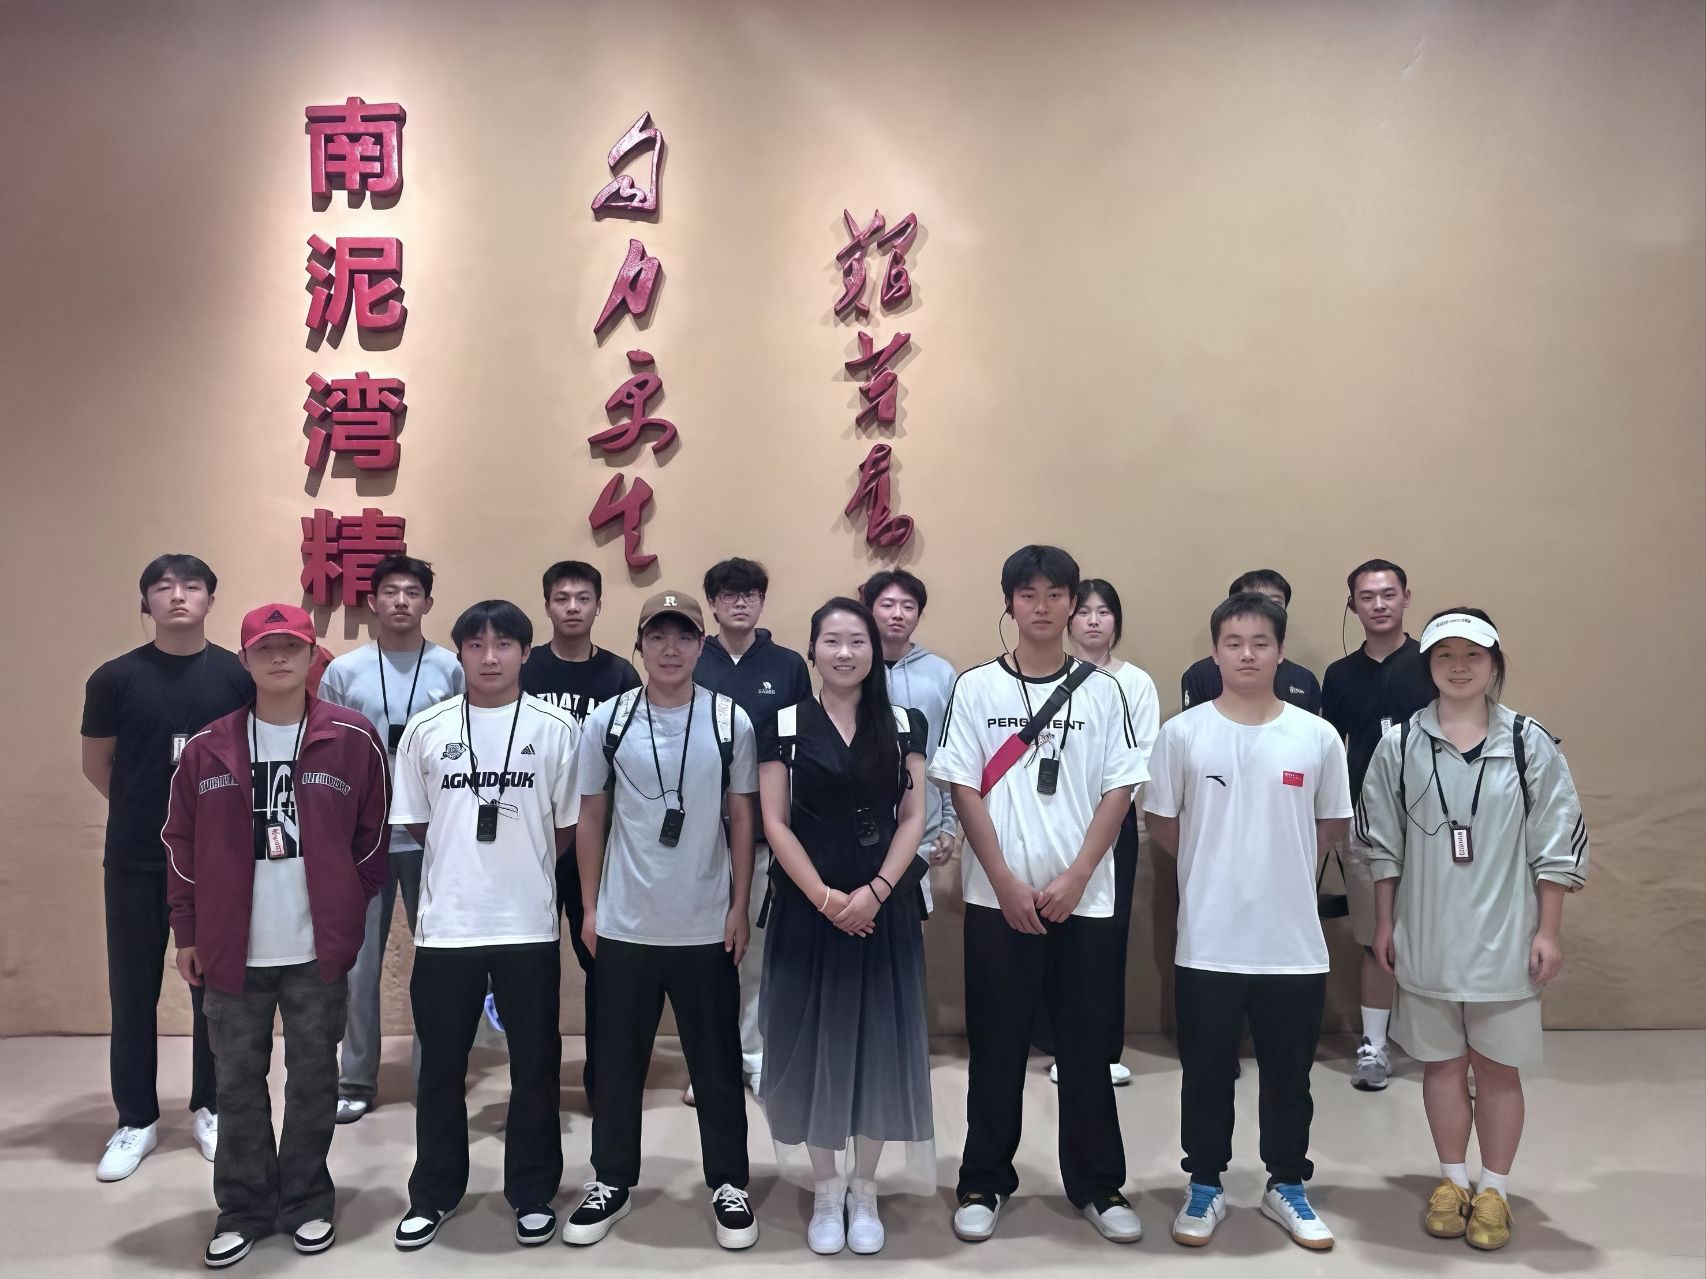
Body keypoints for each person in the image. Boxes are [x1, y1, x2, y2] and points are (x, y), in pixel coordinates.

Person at [931, 545, 1147, 1246]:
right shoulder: (976, 688)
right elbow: (963, 785)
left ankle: (1098, 1184)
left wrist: (1080, 873)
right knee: (996, 1047)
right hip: (1000, 901)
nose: (1044, 606)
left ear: (1074, 603)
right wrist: (1000, 878)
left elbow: (1120, 786)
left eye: (1057, 594)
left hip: (1083, 900)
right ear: (1010, 602)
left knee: (1086, 1049)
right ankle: (983, 1180)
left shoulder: (1105, 691)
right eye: (1029, 594)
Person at [163, 603, 390, 1267]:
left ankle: (306, 1200)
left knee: (314, 1081)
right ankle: (243, 1207)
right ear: (245, 660)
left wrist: (345, 906)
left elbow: (373, 836)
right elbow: (179, 843)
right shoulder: (207, 747)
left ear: (313, 653)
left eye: (292, 645)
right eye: (265, 647)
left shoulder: (353, 738)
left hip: (316, 949)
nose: (280, 657)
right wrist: (187, 929)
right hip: (233, 949)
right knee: (236, 1084)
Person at [1360, 608, 1589, 1252]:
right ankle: (1452, 1180)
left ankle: (1495, 1189)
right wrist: (1387, 922)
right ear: (1428, 665)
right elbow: (1383, 844)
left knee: (1497, 1069)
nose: (1458, 667)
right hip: (1426, 933)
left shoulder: (1528, 743)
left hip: (1505, 937)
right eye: (1445, 656)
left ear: (1494, 664)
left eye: (1473, 655)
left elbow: (1556, 841)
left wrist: (1548, 931)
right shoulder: (1400, 745)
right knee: (1439, 1064)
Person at [1143, 591, 1352, 1252]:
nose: (1247, 654)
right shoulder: (1183, 734)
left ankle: (1286, 1182)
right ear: (1215, 651)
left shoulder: (1316, 736)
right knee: (1206, 1073)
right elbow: (1163, 822)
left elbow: (1330, 824)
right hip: (1208, 940)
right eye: (1233, 642)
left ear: (1280, 651)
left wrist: (1278, 868)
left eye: (1261, 642)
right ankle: (1204, 1183)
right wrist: (1216, 864)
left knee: (1290, 1077)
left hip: (1292, 944)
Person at [565, 591, 759, 1250]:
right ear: (640, 644)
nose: (670, 649)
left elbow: (742, 815)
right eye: (657, 637)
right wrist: (591, 907)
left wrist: (738, 905)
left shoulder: (730, 719)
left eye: (683, 637)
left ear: (702, 645)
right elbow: (591, 814)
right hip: (625, 923)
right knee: (617, 1063)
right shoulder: (609, 720)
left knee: (716, 1062)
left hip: (706, 925)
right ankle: (611, 1180)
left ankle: (729, 1182)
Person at [388, 601, 581, 1251]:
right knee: (440, 1067)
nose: (490, 657)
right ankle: (434, 1193)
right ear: (460, 653)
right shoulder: (426, 729)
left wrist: (518, 863)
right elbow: (421, 822)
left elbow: (564, 827)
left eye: (504, 644)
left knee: (535, 1065)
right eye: (476, 644)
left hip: (527, 924)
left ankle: (533, 1191)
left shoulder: (557, 729)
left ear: (526, 652)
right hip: (448, 926)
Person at [758, 597, 934, 1256]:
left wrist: (876, 892)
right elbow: (774, 822)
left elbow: (913, 816)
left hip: (882, 912)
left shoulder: (905, 723)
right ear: (812, 650)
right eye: (830, 640)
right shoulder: (782, 723)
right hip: (810, 911)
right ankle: (827, 1188)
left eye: (857, 640)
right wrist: (829, 899)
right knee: (814, 1049)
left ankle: (866, 1188)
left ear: (874, 650)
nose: (844, 652)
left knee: (879, 1049)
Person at [81, 554, 253, 1181]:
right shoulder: (114, 678)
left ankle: (212, 1106)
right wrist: (151, 818)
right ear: (145, 601)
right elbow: (98, 764)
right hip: (135, 859)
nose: (178, 596)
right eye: (163, 586)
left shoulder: (238, 676)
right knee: (132, 991)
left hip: (217, 863)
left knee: (217, 993)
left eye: (192, 586)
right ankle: (136, 1119)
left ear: (210, 599)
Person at [320, 555, 464, 1124]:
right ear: (372, 601)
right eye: (390, 591)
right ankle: (355, 1079)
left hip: (434, 836)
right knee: (359, 968)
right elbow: (327, 755)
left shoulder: (452, 668)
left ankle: (434, 1078)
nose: (401, 600)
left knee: (437, 963)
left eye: (412, 591)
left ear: (428, 602)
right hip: (362, 839)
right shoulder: (344, 672)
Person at [520, 559, 642, 1105]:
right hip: (534, 845)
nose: (572, 607)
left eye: (583, 598)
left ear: (598, 605)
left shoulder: (621, 676)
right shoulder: (525, 670)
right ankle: (537, 1081)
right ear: (547, 605)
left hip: (600, 845)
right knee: (533, 970)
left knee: (604, 966)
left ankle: (604, 1082)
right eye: (562, 598)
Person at [693, 557, 812, 1101]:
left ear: (762, 602)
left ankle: (754, 1054)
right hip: (699, 835)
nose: (740, 603)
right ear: (712, 604)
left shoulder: (787, 666)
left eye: (750, 595)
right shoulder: (692, 658)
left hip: (766, 833)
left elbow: (802, 747)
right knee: (702, 953)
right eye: (728, 595)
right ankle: (708, 1063)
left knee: (756, 951)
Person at [1037, 579, 1160, 1088]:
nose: (1092, 620)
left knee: (1105, 936)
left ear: (1116, 622)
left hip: (1111, 825)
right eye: (1084, 611)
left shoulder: (1136, 683)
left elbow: (1140, 760)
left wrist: (1105, 812)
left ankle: (1103, 1048)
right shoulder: (1046, 676)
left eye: (1103, 611)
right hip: (1051, 821)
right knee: (1050, 931)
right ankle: (1058, 1044)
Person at [1320, 558, 1436, 1092]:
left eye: (1389, 593)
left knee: (1442, 935)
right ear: (1353, 606)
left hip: (1434, 820)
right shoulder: (1340, 676)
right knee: (1375, 938)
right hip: (1367, 823)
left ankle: (1451, 1048)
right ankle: (1374, 1047)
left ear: (1407, 597)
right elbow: (1331, 749)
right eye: (1367, 596)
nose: (1379, 604)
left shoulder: (1433, 663)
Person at [859, 568, 959, 910]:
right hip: (859, 825)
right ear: (870, 609)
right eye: (887, 604)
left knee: (908, 925)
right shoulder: (852, 667)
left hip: (922, 827)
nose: (897, 614)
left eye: (908, 606)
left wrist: (949, 822)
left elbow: (948, 751)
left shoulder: (940, 674)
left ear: (919, 613)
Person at [1179, 570, 1321, 712]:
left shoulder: (1304, 680)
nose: (1263, 610)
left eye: (1275, 603)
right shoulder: (1199, 675)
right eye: (1254, 601)